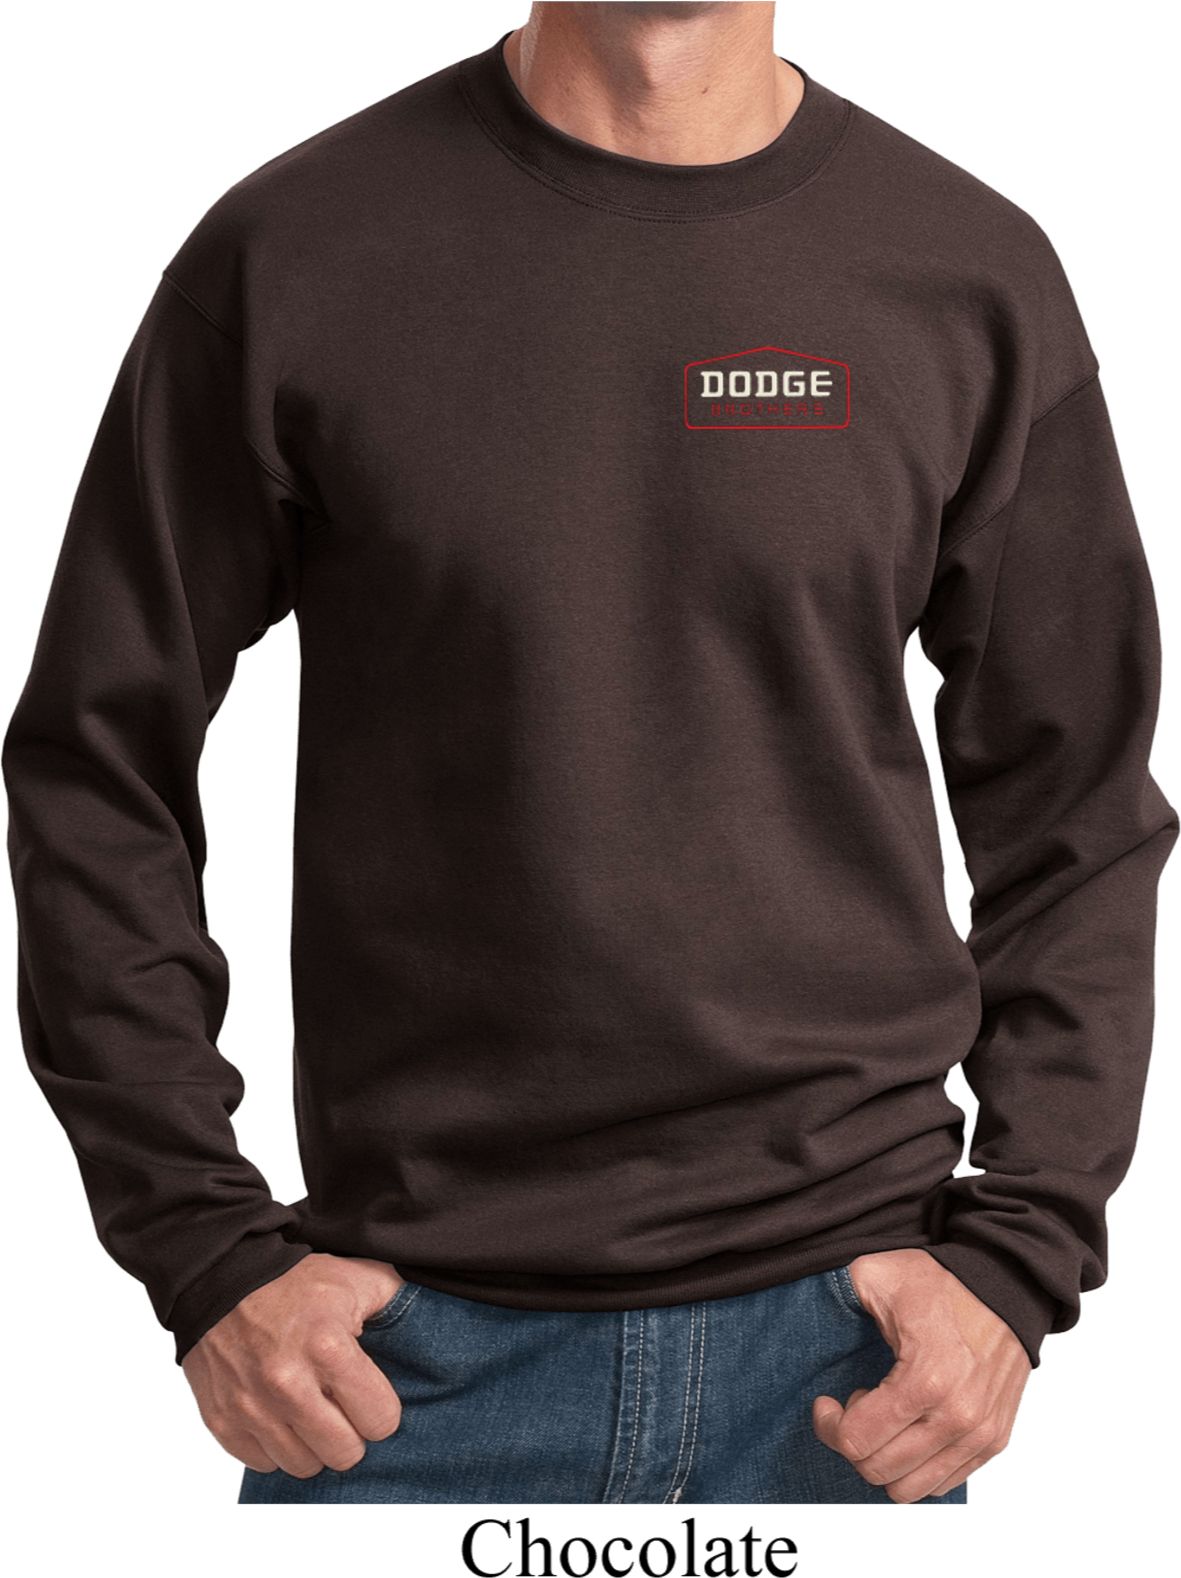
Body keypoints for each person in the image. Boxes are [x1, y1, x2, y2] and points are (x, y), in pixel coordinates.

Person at [3, 0, 1174, 1507]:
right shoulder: (295, 250)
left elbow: (1075, 798)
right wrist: (201, 1247)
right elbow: (97, 760)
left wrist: (1018, 1255)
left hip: (849, 1363)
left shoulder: (966, 271)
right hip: (399, 1374)